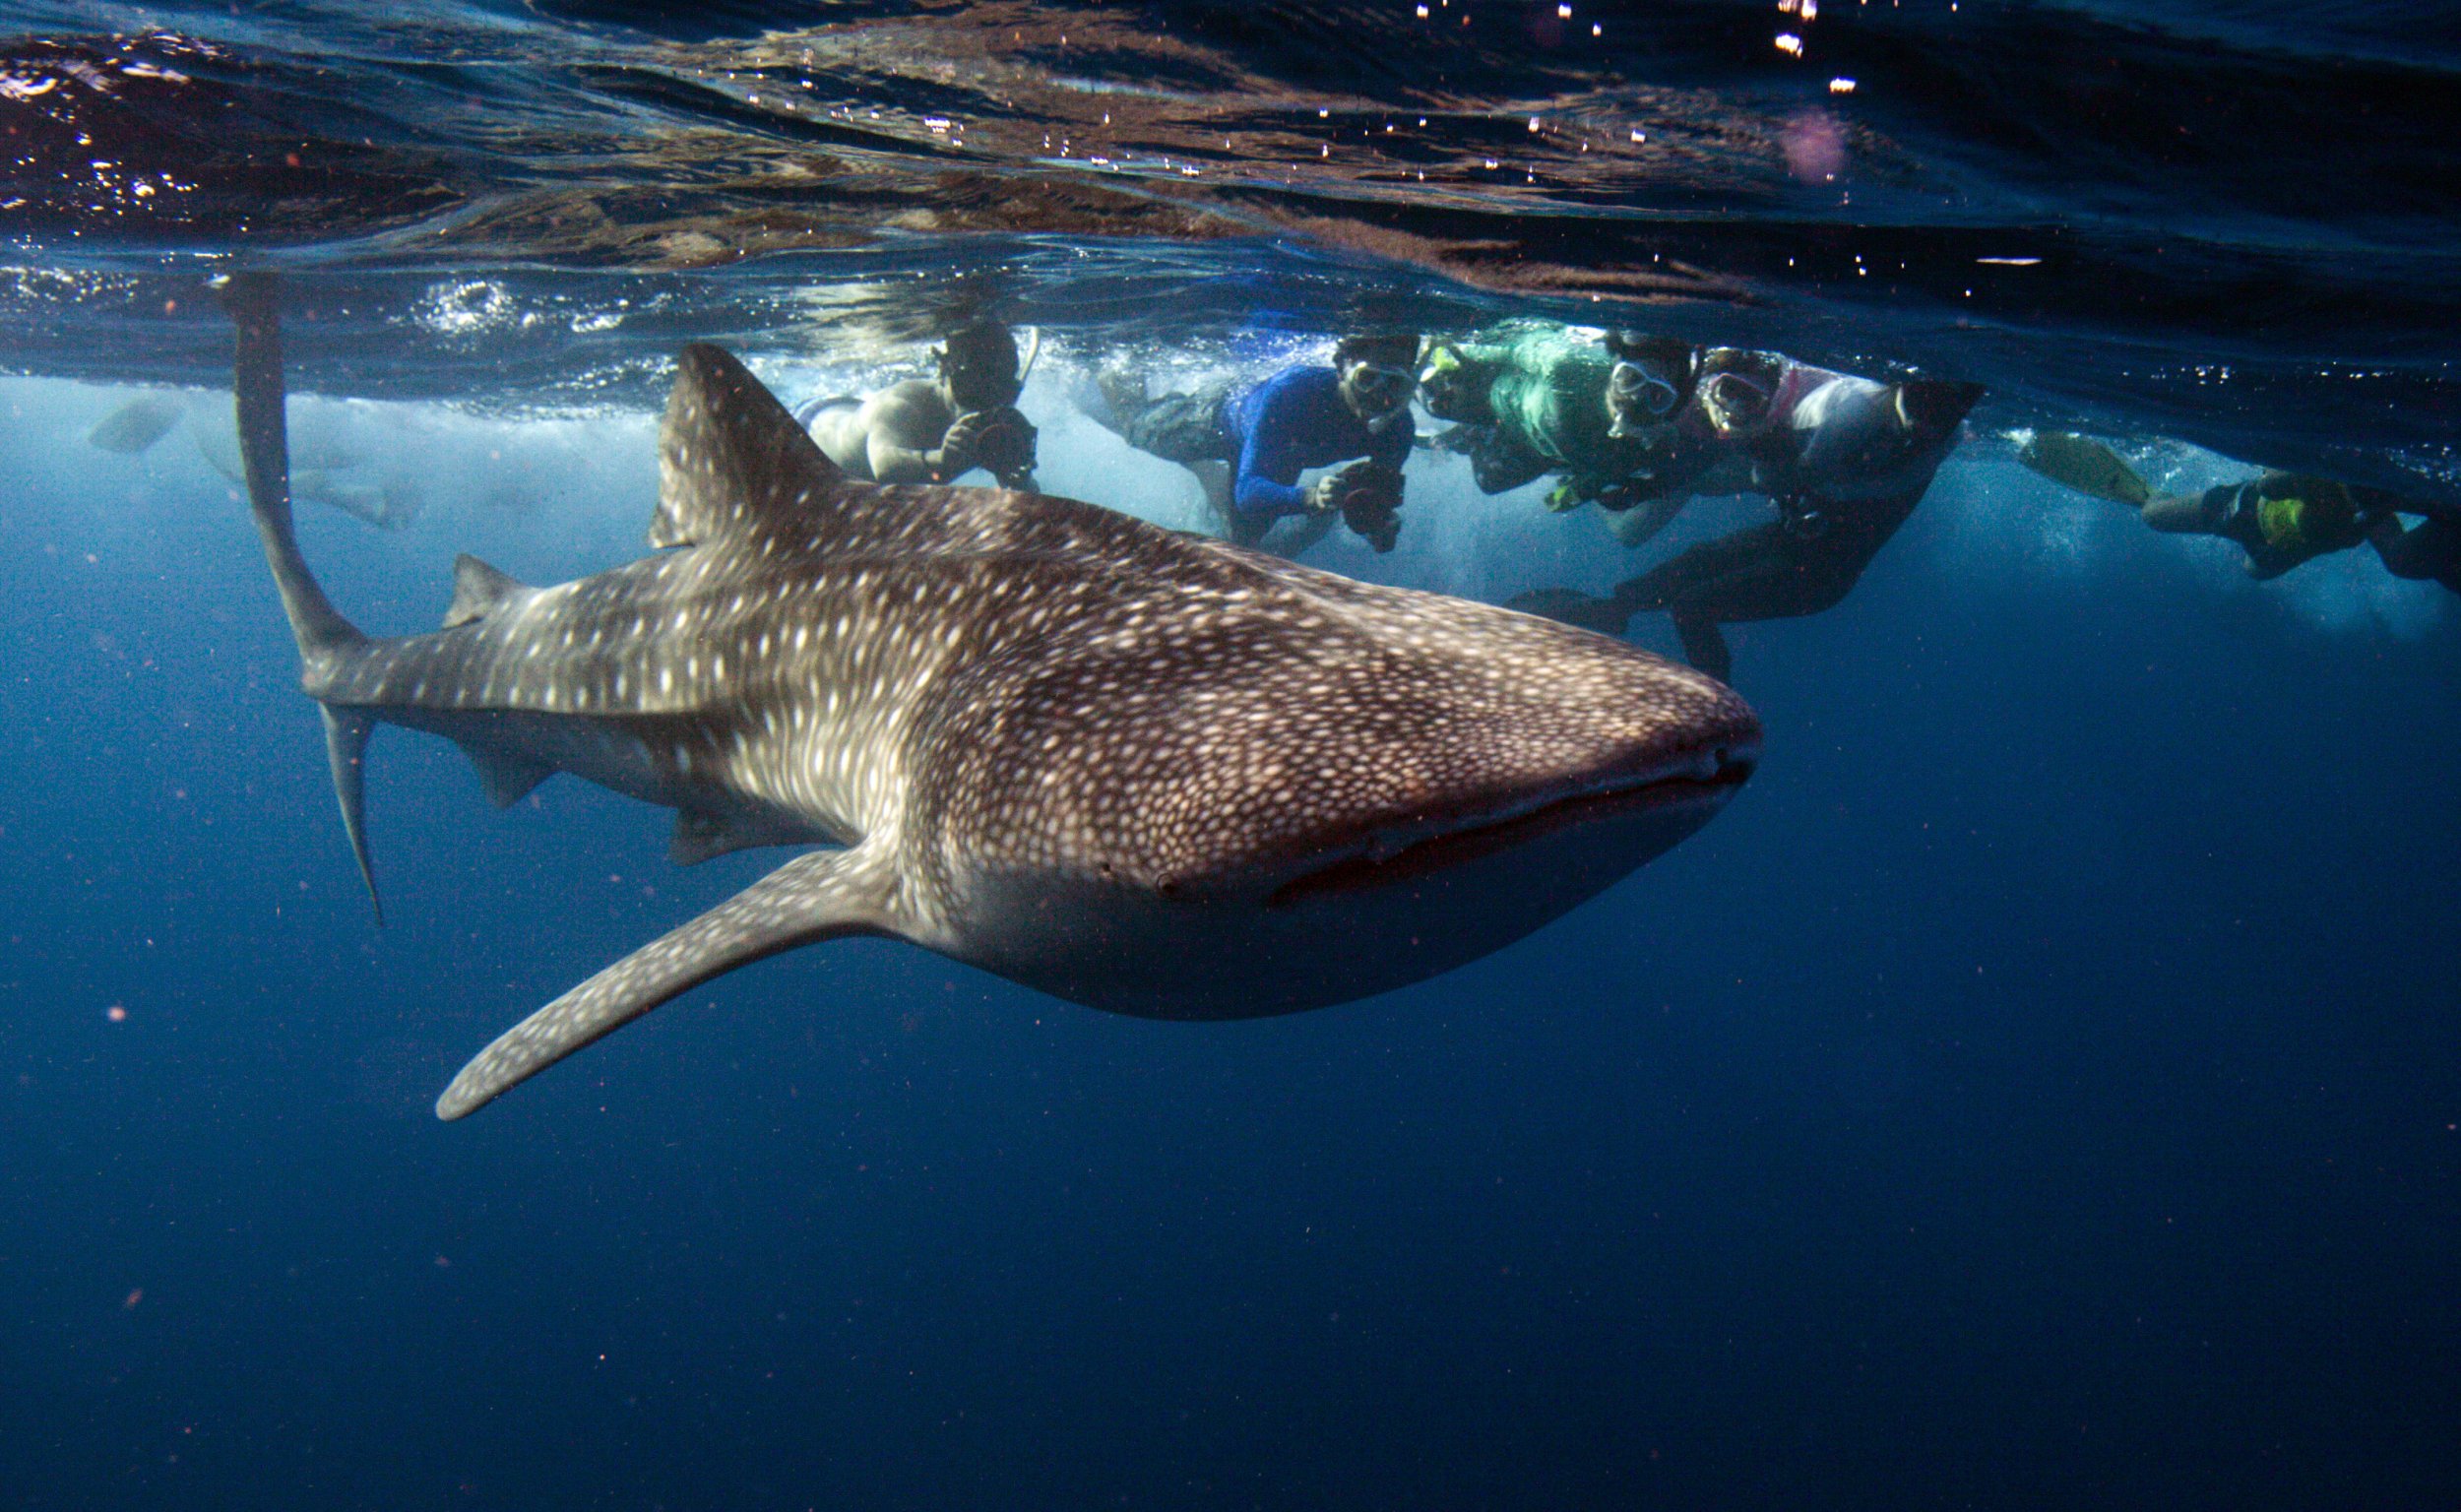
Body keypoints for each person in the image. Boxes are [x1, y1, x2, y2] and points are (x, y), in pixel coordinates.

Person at [1513, 371, 1984, 683]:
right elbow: (1796, 475)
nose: (1927, 426)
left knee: (1691, 607)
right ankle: (1574, 625)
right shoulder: (1861, 412)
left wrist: (1767, 460)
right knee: (1656, 584)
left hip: (1820, 575)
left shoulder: (1907, 436)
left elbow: (1794, 477)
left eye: (1942, 415)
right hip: (1794, 540)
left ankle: (1714, 710)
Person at [1080, 333, 1420, 552]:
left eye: (1395, 386)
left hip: (1280, 454)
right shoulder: (1290, 394)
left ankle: (1208, 473)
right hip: (1216, 420)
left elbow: (1377, 493)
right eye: (1367, 379)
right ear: (1342, 371)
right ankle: (1112, 357)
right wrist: (1309, 497)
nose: (1379, 397)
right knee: (1139, 431)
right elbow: (1248, 494)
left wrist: (1378, 525)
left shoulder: (1398, 429)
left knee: (1244, 540)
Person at [1416, 325, 1718, 551]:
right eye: (1630, 380)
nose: (1633, 403)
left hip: (1536, 449)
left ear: (1672, 407)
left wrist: (1583, 490)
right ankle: (1450, 435)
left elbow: (1609, 468)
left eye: (1657, 396)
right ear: (1613, 371)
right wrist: (1455, 354)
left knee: (1490, 482)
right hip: (1488, 396)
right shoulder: (1568, 367)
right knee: (1432, 400)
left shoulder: (1650, 446)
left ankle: (1462, 439)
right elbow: (1507, 346)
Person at [2014, 433, 2403, 582]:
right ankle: (2149, 494)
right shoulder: (2333, 485)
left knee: (2256, 571)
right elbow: (2272, 479)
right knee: (2152, 516)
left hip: (2272, 547)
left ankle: (2149, 498)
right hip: (2240, 510)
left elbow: (2401, 559)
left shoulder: (2374, 515)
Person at [800, 320, 1038, 490]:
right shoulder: (899, 404)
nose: (984, 403)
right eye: (971, 387)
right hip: (810, 430)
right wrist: (941, 461)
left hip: (859, 423)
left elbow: (1024, 493)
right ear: (943, 373)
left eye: (1001, 390)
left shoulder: (997, 417)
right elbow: (884, 467)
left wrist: (1020, 478)